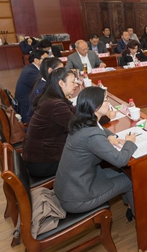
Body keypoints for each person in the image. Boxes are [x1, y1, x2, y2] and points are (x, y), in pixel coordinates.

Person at [54, 87, 137, 218]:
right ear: (95, 107)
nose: (108, 103)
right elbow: (120, 160)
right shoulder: (91, 134)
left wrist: (110, 136)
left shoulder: (80, 122)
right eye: (105, 100)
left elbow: (100, 130)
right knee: (130, 181)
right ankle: (138, 215)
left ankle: (131, 206)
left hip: (73, 184)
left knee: (123, 173)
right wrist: (130, 142)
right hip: (77, 197)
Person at [22, 68, 77, 177]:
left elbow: (70, 111)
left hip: (37, 157)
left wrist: (87, 106)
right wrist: (100, 116)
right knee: (87, 157)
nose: (76, 85)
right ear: (61, 83)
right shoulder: (55, 105)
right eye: (73, 82)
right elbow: (77, 127)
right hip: (44, 164)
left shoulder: (50, 98)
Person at [15, 50, 48, 123]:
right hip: (27, 107)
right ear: (36, 60)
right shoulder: (31, 72)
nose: (47, 62)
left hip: (28, 101)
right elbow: (45, 86)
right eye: (45, 59)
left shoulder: (30, 68)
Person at [27, 57, 64, 121]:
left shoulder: (44, 81)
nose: (63, 73)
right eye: (60, 70)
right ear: (50, 70)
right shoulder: (42, 88)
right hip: (41, 121)